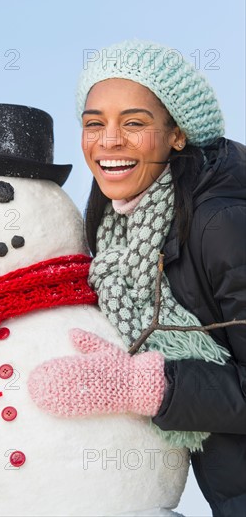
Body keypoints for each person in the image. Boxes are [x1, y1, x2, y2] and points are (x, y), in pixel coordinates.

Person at [29, 40, 246, 517]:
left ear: (178, 135)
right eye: (93, 123)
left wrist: (150, 387)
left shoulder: (224, 225)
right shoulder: (117, 238)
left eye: (133, 122)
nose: (108, 141)